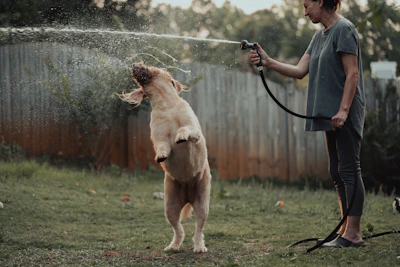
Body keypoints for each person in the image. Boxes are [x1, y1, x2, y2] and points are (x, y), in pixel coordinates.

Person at [250, 0, 366, 248]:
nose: (304, 12)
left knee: (348, 169)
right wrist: (267, 61)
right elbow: (300, 70)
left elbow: (352, 72)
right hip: (328, 115)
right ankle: (345, 229)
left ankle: (354, 234)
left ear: (321, 2)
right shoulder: (319, 36)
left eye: (306, 5)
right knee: (336, 171)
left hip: (344, 113)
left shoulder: (344, 29)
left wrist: (344, 110)